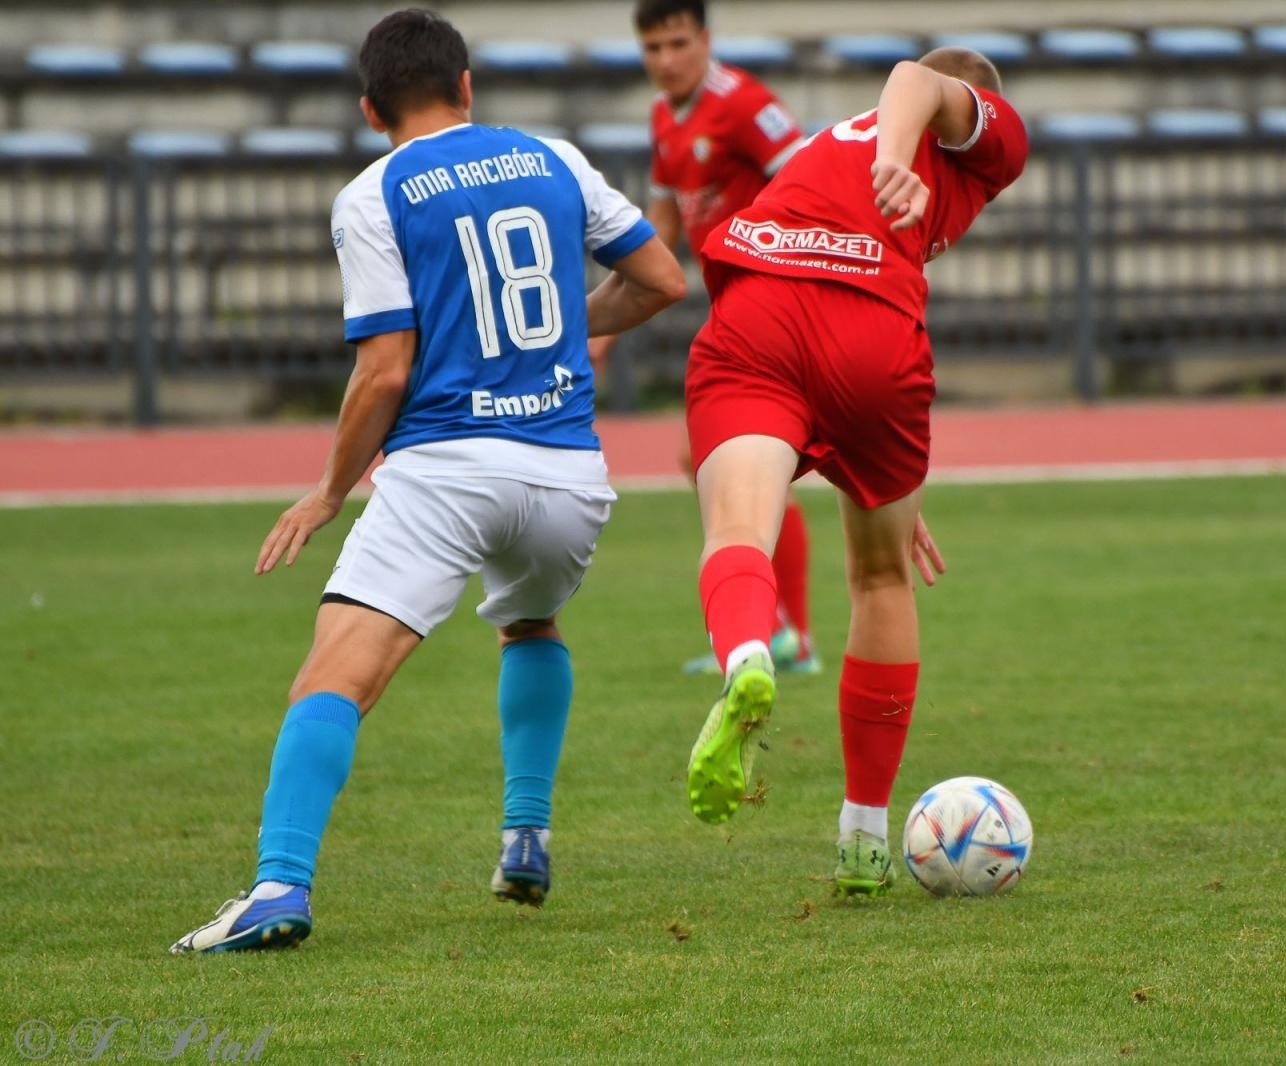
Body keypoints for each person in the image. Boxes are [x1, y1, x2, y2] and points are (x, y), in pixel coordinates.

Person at [170, 8, 684, 953]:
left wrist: (329, 491)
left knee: (333, 677)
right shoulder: (555, 157)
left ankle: (278, 886)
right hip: (569, 477)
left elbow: (384, 373)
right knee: (529, 622)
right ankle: (526, 836)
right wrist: (560, 328)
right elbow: (661, 280)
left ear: (372, 109)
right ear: (467, 86)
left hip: (447, 470)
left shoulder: (373, 194)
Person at [680, 47, 1027, 896]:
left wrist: (882, 478)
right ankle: (864, 839)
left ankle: (748, 654)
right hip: (870, 322)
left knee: (737, 530)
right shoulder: (979, 133)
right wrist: (899, 158)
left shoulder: (828, 143)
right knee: (881, 577)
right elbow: (914, 75)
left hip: (758, 306)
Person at [588, 0, 822, 677]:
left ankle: (785, 632)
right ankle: (786, 633)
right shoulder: (666, 117)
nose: (666, 60)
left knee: (720, 460)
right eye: (653, 47)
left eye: (678, 43)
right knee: (723, 464)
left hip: (774, 302)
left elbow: (814, 179)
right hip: (736, 306)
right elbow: (662, 223)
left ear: (706, 39)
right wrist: (608, 319)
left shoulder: (744, 104)